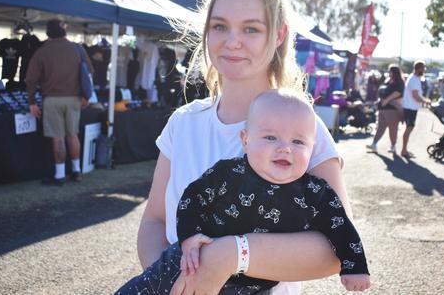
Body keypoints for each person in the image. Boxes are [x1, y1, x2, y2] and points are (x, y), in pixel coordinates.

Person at [133, 0, 354, 295]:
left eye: (251, 29)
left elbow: (338, 248)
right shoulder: (183, 123)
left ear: (278, 35)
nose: (232, 42)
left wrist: (233, 254)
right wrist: (175, 281)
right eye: (220, 26)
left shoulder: (303, 129)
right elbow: (154, 221)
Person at [117, 89, 370, 294]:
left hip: (255, 285)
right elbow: (192, 199)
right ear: (245, 139)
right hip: (187, 264)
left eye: (298, 142)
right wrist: (189, 237)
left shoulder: (315, 193)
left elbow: (342, 228)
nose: (285, 149)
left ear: (312, 148)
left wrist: (355, 266)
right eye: (271, 138)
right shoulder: (229, 173)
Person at [25, 19, 93, 186]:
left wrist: (32, 101)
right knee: (73, 135)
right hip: (74, 98)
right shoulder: (77, 49)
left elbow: (31, 79)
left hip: (52, 99)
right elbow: (89, 71)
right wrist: (86, 94)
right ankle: (77, 172)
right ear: (64, 32)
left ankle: (60, 175)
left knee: (58, 138)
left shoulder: (42, 52)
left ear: (48, 33)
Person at [367, 64, 404, 154]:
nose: (389, 73)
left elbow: (398, 93)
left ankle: (393, 146)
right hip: (382, 108)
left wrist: (387, 100)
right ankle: (374, 144)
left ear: (395, 72)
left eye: (390, 71)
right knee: (380, 127)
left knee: (393, 128)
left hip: (392, 109)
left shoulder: (399, 82)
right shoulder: (388, 81)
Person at [400, 61, 430, 159]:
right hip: (410, 107)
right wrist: (425, 101)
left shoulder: (414, 78)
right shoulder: (414, 79)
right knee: (409, 128)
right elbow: (415, 95)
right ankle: (404, 150)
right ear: (419, 68)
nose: (424, 70)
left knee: (410, 128)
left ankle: (404, 149)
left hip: (411, 107)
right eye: (423, 68)